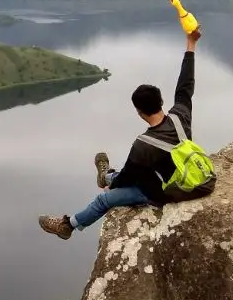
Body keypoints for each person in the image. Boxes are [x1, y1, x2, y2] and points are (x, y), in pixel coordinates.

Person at [38, 28, 207, 240]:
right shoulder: (180, 116)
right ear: (161, 102)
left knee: (105, 198)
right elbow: (185, 86)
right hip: (194, 178)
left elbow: (128, 177)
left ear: (139, 112)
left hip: (167, 192)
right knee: (130, 176)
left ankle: (68, 225)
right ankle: (105, 175)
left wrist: (113, 186)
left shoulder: (143, 145)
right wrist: (191, 44)